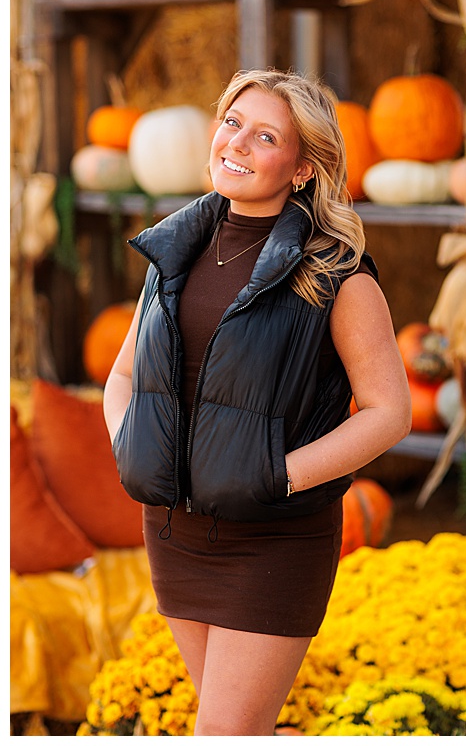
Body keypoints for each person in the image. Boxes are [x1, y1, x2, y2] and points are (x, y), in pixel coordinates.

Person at [102, 69, 412, 735]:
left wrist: (278, 475)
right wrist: (130, 444)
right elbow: (123, 374)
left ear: (301, 168)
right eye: (232, 122)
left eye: (264, 135)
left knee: (225, 734)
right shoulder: (173, 249)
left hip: (274, 540)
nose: (235, 143)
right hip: (172, 533)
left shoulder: (336, 274)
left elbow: (390, 412)